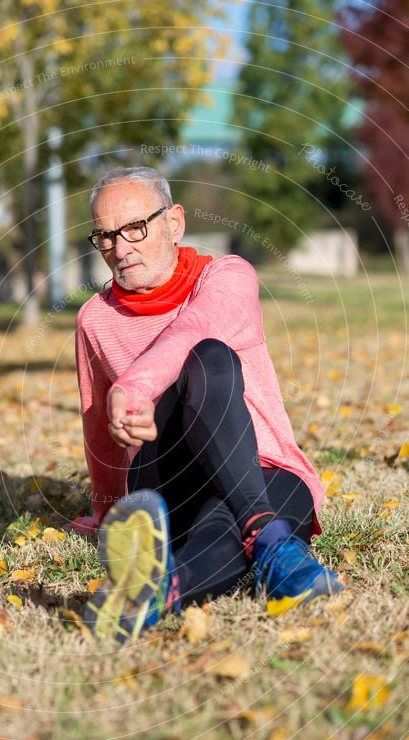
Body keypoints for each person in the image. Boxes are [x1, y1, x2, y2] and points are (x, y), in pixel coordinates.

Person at [73, 167, 344, 642]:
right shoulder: (95, 319)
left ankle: (162, 593)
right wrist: (106, 512)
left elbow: (193, 330)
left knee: (209, 357)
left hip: (261, 469)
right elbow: (99, 423)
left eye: (135, 228)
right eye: (105, 236)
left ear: (174, 223)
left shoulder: (228, 276)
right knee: (253, 517)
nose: (120, 248)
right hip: (168, 477)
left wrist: (135, 384)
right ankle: (272, 542)